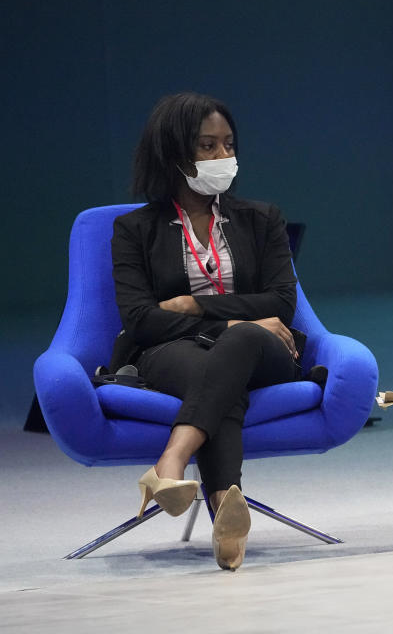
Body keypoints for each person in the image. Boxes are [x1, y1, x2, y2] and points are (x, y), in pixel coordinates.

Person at [111, 92, 305, 569]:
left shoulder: (262, 219)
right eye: (207, 147)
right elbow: (140, 318)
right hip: (171, 349)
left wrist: (198, 304)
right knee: (220, 375)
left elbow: (282, 302)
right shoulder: (134, 229)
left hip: (265, 348)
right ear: (174, 154)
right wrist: (235, 317)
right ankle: (225, 503)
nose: (223, 158)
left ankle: (171, 460)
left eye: (228, 145)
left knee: (238, 344)